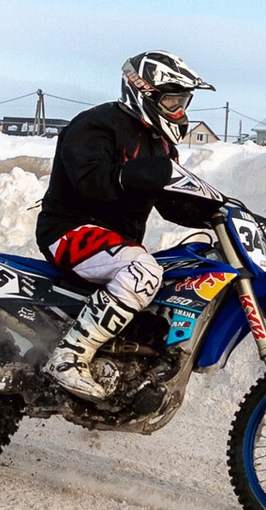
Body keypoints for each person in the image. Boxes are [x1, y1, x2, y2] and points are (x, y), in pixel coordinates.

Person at [36, 50, 227, 402]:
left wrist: (219, 214)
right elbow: (90, 180)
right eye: (172, 100)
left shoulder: (160, 144)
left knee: (178, 272)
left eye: (183, 101)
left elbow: (170, 203)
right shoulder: (96, 125)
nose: (179, 111)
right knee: (142, 272)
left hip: (115, 242)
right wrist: (147, 172)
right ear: (143, 91)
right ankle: (69, 356)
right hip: (69, 231)